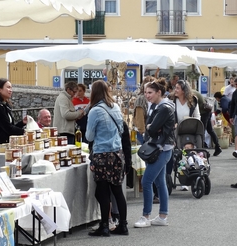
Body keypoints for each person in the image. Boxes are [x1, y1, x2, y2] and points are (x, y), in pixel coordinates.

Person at [86, 80, 128, 236]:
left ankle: (104, 226)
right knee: (117, 191)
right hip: (117, 153)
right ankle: (123, 225)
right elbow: (122, 129)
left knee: (103, 191)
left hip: (102, 154)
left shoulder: (95, 111)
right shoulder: (116, 107)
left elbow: (89, 136)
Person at [134, 78, 175, 228]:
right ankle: (162, 216)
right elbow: (150, 126)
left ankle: (146, 216)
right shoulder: (159, 106)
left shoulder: (163, 107)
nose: (147, 95)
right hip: (161, 146)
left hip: (161, 148)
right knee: (159, 182)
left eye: (150, 92)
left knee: (146, 181)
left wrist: (152, 126)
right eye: (145, 92)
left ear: (159, 92)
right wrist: (152, 126)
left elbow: (150, 128)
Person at [171, 80, 200, 191]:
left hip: (191, 129)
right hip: (177, 131)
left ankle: (193, 175)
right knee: (180, 155)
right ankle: (183, 178)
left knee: (192, 154)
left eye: (178, 88)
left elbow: (197, 116)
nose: (175, 90)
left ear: (184, 90)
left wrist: (195, 124)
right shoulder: (173, 101)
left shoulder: (193, 101)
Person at [0, 78, 27, 154]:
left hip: (7, 145)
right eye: (8, 87)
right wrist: (24, 132)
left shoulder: (5, 106)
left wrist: (22, 123)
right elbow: (8, 128)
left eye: (11, 88)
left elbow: (10, 126)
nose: (11, 90)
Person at [194, 90, 222, 156]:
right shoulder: (194, 92)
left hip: (203, 113)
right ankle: (218, 147)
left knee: (201, 131)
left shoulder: (191, 94)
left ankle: (203, 149)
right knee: (210, 130)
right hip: (206, 112)